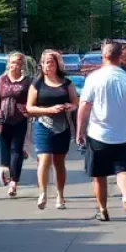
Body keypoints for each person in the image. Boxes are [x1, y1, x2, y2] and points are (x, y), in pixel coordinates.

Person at [77, 41, 126, 225]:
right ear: (119, 57)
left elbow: (84, 106)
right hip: (125, 134)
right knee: (124, 170)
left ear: (104, 56)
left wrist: (79, 131)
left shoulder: (94, 78)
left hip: (98, 135)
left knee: (99, 175)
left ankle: (103, 210)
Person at [26, 50, 78, 210]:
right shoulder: (37, 84)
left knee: (59, 162)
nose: (49, 65)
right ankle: (42, 192)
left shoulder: (66, 83)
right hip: (43, 124)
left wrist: (70, 106)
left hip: (62, 125)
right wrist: (48, 110)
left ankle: (60, 195)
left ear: (57, 64)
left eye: (52, 62)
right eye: (46, 62)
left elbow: (76, 102)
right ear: (41, 65)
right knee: (44, 158)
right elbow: (29, 108)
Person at [0, 51, 31, 197]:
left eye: (18, 62)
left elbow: (31, 100)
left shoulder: (27, 81)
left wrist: (27, 110)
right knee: (5, 150)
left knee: (16, 150)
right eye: (13, 62)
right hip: (3, 120)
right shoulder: (2, 80)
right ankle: (4, 170)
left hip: (20, 119)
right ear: (9, 64)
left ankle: (14, 182)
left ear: (22, 64)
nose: (15, 65)